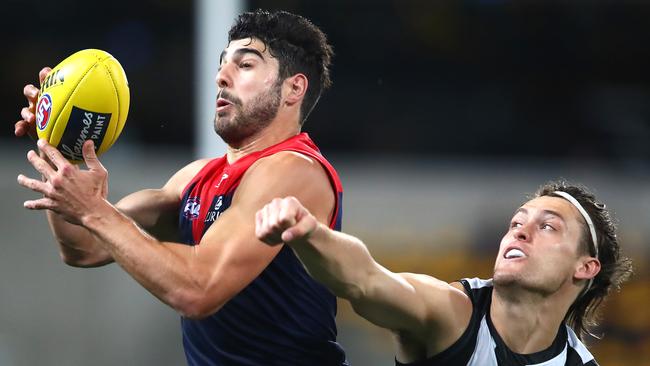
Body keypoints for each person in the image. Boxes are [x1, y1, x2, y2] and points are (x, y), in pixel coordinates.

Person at [15, 9, 349, 366]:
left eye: (246, 65)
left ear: (293, 88)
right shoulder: (197, 177)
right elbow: (83, 248)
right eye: (223, 64)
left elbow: (198, 290)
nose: (221, 76)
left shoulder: (296, 170)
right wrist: (62, 143)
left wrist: (96, 211)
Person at [255, 181, 633, 365]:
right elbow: (365, 281)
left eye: (548, 226)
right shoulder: (452, 313)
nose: (519, 230)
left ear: (586, 267)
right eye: (517, 221)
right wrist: (309, 233)